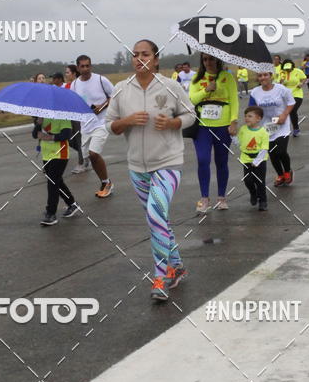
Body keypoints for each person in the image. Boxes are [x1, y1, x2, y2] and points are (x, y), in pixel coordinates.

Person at [106, 39, 193, 302]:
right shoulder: (121, 89)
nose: (139, 58)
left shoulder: (171, 86)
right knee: (159, 220)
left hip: (168, 162)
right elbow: (110, 125)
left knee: (156, 217)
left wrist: (174, 122)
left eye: (145, 54)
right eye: (135, 54)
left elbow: (191, 115)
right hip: (137, 167)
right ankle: (177, 267)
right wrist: (127, 120)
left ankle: (160, 277)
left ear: (156, 59)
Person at [188, 53, 239, 213]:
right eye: (205, 59)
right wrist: (206, 90)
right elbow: (191, 99)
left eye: (211, 58)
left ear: (217, 59)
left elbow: (234, 99)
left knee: (221, 161)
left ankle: (222, 197)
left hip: (223, 126)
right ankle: (204, 198)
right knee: (203, 160)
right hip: (203, 126)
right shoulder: (197, 78)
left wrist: (233, 121)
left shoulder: (226, 77)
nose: (208, 62)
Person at [70, 55, 114, 197]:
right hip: (86, 125)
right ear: (77, 68)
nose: (85, 68)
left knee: (94, 153)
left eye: (87, 65)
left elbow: (114, 96)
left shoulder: (101, 80)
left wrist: (101, 107)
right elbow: (75, 103)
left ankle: (107, 183)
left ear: (91, 66)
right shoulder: (75, 85)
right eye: (82, 66)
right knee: (89, 156)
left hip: (102, 122)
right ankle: (105, 181)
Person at [248, 72, 295, 186]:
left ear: (271, 76)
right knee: (272, 153)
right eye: (260, 76)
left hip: (282, 124)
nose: (263, 77)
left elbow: (291, 102)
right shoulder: (255, 92)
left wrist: (284, 114)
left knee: (281, 150)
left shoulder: (281, 89)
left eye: (265, 75)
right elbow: (251, 109)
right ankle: (280, 175)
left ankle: (287, 171)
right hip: (266, 127)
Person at [37, 114, 80, 225]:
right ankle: (71, 204)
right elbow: (35, 134)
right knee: (57, 182)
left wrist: (50, 137)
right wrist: (38, 123)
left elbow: (67, 134)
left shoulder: (62, 116)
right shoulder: (43, 117)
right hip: (46, 155)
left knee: (52, 182)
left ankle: (51, 213)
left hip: (60, 154)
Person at [238, 106, 269, 211]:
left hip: (260, 160)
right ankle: (253, 193)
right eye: (245, 116)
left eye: (250, 116)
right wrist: (232, 137)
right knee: (248, 180)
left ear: (258, 119)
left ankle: (263, 201)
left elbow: (264, 148)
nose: (247, 118)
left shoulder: (263, 132)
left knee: (260, 181)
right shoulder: (243, 129)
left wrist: (257, 161)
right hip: (246, 159)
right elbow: (239, 142)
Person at [64, 63, 86, 172]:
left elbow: (83, 99)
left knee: (78, 139)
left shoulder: (79, 84)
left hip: (78, 116)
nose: (66, 74)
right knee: (70, 139)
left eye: (67, 72)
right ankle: (87, 154)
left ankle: (81, 163)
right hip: (69, 116)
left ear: (73, 73)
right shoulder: (67, 85)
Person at [280, 60, 307, 136]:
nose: (287, 70)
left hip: (297, 93)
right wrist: (281, 81)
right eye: (286, 68)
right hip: (286, 94)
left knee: (293, 109)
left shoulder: (298, 71)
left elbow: (304, 78)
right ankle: (285, 129)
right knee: (287, 112)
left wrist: (301, 83)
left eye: (289, 68)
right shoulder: (282, 72)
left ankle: (296, 129)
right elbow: (278, 83)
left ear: (292, 66)